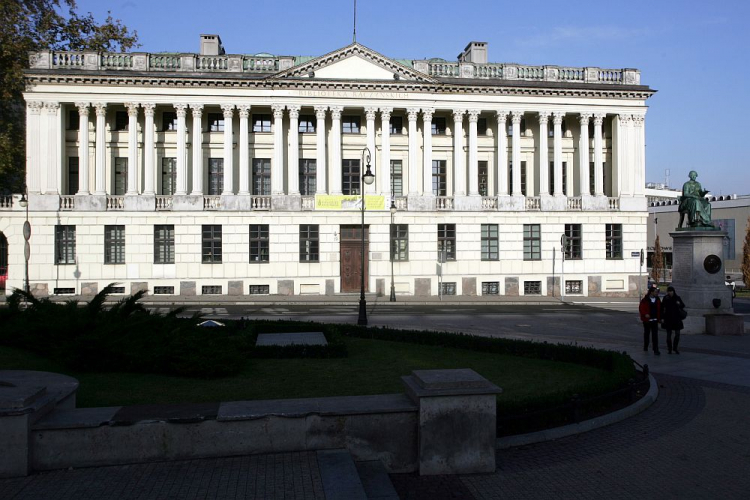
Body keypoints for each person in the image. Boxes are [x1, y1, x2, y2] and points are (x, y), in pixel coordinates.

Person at [660, 286, 685, 354]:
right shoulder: (666, 298)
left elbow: (683, 305)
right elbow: (662, 308)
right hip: (668, 319)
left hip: (676, 319)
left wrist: (679, 304)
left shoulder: (677, 298)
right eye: (669, 291)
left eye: (671, 291)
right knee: (668, 336)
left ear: (673, 291)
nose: (670, 293)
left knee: (677, 334)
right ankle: (669, 348)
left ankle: (675, 347)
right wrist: (662, 318)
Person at [639, 285, 661, 355]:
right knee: (647, 334)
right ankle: (646, 346)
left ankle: (656, 349)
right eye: (655, 292)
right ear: (651, 292)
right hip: (647, 321)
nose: (656, 293)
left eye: (657, 292)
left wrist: (660, 318)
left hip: (655, 320)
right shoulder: (645, 300)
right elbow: (641, 308)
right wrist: (645, 314)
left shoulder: (657, 300)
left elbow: (660, 309)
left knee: (655, 335)